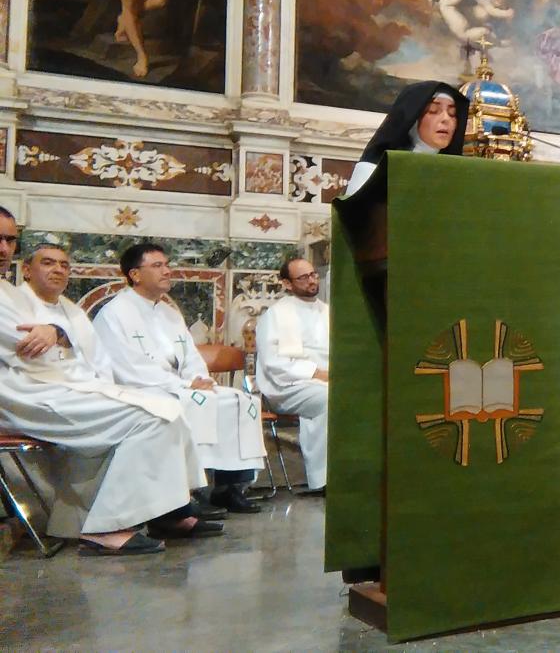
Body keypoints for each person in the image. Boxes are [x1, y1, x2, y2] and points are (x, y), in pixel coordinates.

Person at [0, 226, 217, 555]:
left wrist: (62, 337)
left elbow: (99, 362)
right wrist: (58, 334)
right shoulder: (14, 298)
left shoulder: (68, 310)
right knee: (152, 418)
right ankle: (107, 526)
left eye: (64, 264)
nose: (58, 269)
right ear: (27, 270)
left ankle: (166, 511)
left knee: (166, 408)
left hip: (71, 387)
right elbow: (27, 346)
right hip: (27, 392)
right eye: (47, 263)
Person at [94, 242, 266, 514]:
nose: (167, 271)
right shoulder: (114, 314)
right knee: (192, 403)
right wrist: (186, 385)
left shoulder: (169, 314)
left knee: (239, 400)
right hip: (140, 389)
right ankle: (184, 493)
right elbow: (128, 366)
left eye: (167, 265)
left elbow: (190, 357)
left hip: (178, 385)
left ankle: (229, 487)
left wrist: (198, 378)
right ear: (134, 274)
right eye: (157, 266)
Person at [255, 258, 330, 493]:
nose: (311, 281)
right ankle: (322, 479)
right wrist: (316, 373)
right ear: (287, 283)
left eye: (313, 275)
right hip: (286, 386)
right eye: (303, 277)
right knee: (329, 398)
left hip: (327, 380)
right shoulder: (276, 315)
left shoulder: (329, 312)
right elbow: (272, 362)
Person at [343, 80, 471, 197]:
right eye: (433, 110)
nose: (446, 119)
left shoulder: (457, 177)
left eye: (452, 114)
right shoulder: (373, 170)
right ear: (412, 119)